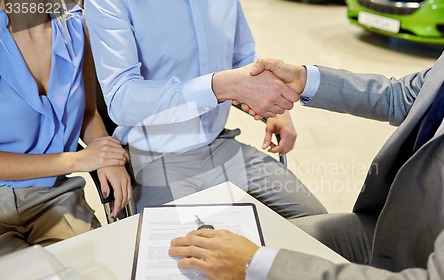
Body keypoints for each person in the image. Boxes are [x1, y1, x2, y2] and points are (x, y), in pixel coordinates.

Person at [169, 0, 444, 280]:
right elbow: (405, 96)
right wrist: (305, 79)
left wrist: (254, 268)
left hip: (424, 278)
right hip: (391, 230)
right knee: (258, 243)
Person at [84, 0, 327, 219]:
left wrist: (275, 106)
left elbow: (243, 58)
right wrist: (217, 87)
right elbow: (121, 99)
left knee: (318, 225)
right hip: (156, 155)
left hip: (219, 142)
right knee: (180, 259)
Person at [0, 1, 131, 256]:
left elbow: (88, 113)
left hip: (56, 196)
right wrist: (75, 160)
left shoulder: (75, 24)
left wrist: (105, 153)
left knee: (96, 279)